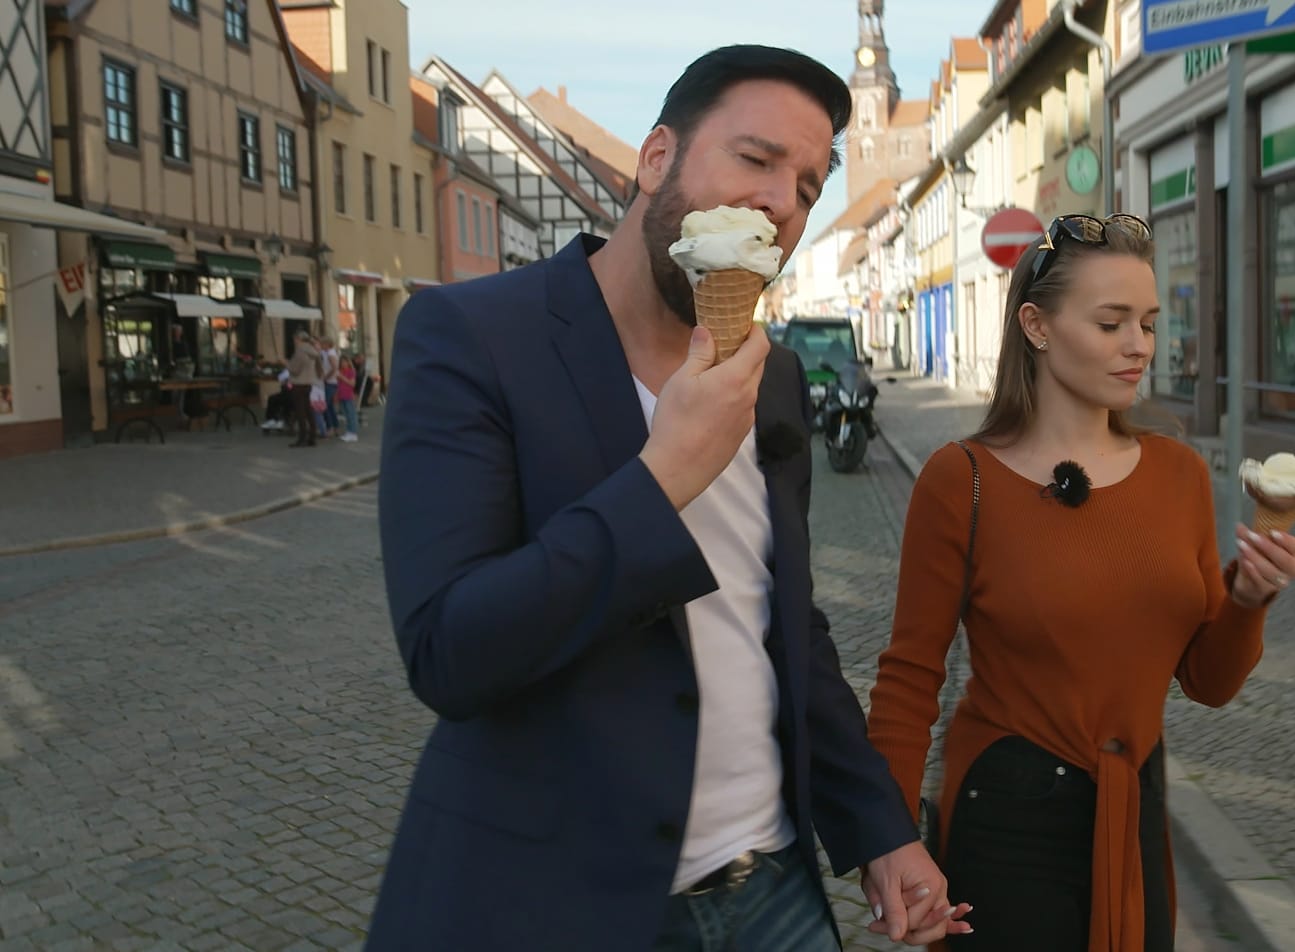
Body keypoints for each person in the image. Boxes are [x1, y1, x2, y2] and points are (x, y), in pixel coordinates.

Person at [370, 45, 970, 951]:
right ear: (657, 160)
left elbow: (785, 623)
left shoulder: (769, 379)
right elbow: (448, 651)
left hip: (770, 884)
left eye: (806, 186)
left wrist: (879, 827)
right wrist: (664, 477)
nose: (781, 201)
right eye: (756, 158)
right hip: (561, 901)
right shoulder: (470, 337)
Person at [866, 215, 1295, 952]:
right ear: (1036, 327)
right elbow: (910, 675)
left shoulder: (1178, 474)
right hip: (1005, 814)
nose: (1139, 345)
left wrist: (1247, 601)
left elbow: (1207, 681)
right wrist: (890, 841)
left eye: (1146, 322)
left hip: (1130, 806)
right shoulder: (961, 480)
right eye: (1110, 323)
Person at [283, 331, 321, 448]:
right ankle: (312, 436)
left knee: (300, 411)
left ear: (299, 339)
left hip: (299, 383)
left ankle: (302, 438)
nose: (294, 341)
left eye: (295, 339)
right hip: (308, 382)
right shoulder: (312, 350)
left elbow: (295, 369)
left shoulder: (300, 351)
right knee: (309, 410)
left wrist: (285, 363)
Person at [334, 356, 359, 443]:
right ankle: (349, 432)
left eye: (345, 362)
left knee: (351, 414)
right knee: (346, 415)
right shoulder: (340, 371)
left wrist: (342, 377)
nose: (343, 364)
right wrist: (337, 395)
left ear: (348, 362)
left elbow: (352, 383)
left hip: (348, 395)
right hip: (342, 395)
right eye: (341, 362)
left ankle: (353, 433)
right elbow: (338, 385)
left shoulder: (351, 371)